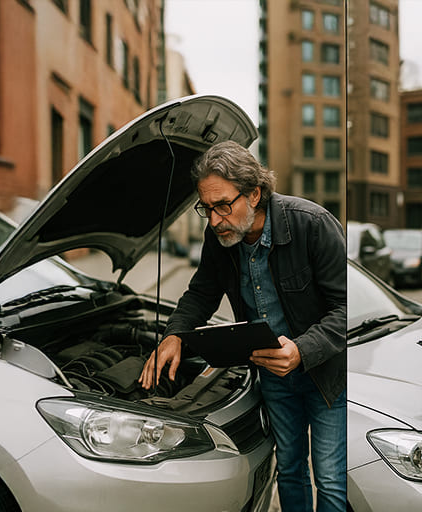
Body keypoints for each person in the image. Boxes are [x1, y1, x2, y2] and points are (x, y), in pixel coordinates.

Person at [138, 141, 346, 512]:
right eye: (207, 208)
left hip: (323, 375)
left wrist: (301, 350)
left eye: (223, 205)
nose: (215, 219)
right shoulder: (219, 238)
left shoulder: (311, 224)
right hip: (271, 376)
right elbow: (200, 295)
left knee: (330, 478)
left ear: (255, 192)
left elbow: (345, 310)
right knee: (290, 470)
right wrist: (174, 335)